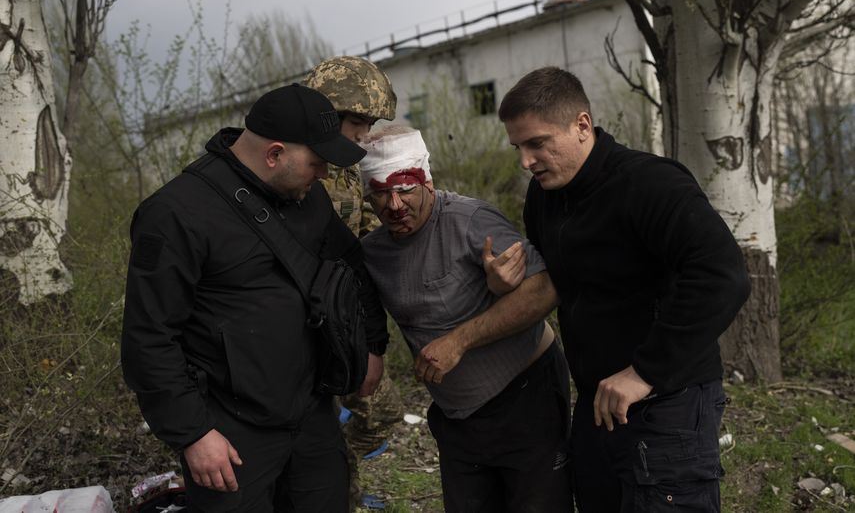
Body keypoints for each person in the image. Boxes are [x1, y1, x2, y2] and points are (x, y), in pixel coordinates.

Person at [121, 84, 389, 513]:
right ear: (274, 154)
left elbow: (351, 266)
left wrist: (373, 345)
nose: (323, 175)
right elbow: (149, 338)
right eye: (317, 163)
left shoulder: (308, 197)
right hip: (230, 433)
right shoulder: (174, 215)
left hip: (312, 415)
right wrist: (193, 434)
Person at [497, 66, 751, 512]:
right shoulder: (545, 196)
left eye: (538, 143)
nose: (526, 161)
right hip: (598, 404)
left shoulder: (650, 184)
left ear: (581, 125)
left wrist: (643, 372)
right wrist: (505, 281)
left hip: (669, 399)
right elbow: (560, 281)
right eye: (518, 147)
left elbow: (722, 275)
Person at [358, 125, 573, 513]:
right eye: (379, 192)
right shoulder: (372, 252)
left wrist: (459, 341)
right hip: (457, 419)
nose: (394, 205)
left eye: (405, 187)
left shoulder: (469, 220)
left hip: (525, 398)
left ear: (426, 178)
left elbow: (543, 290)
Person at [304, 56, 405, 510]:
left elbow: (363, 244)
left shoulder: (346, 166)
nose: (365, 133)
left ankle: (337, 472)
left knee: (380, 410)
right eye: (358, 121)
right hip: (298, 329)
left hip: (345, 319)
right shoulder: (288, 165)